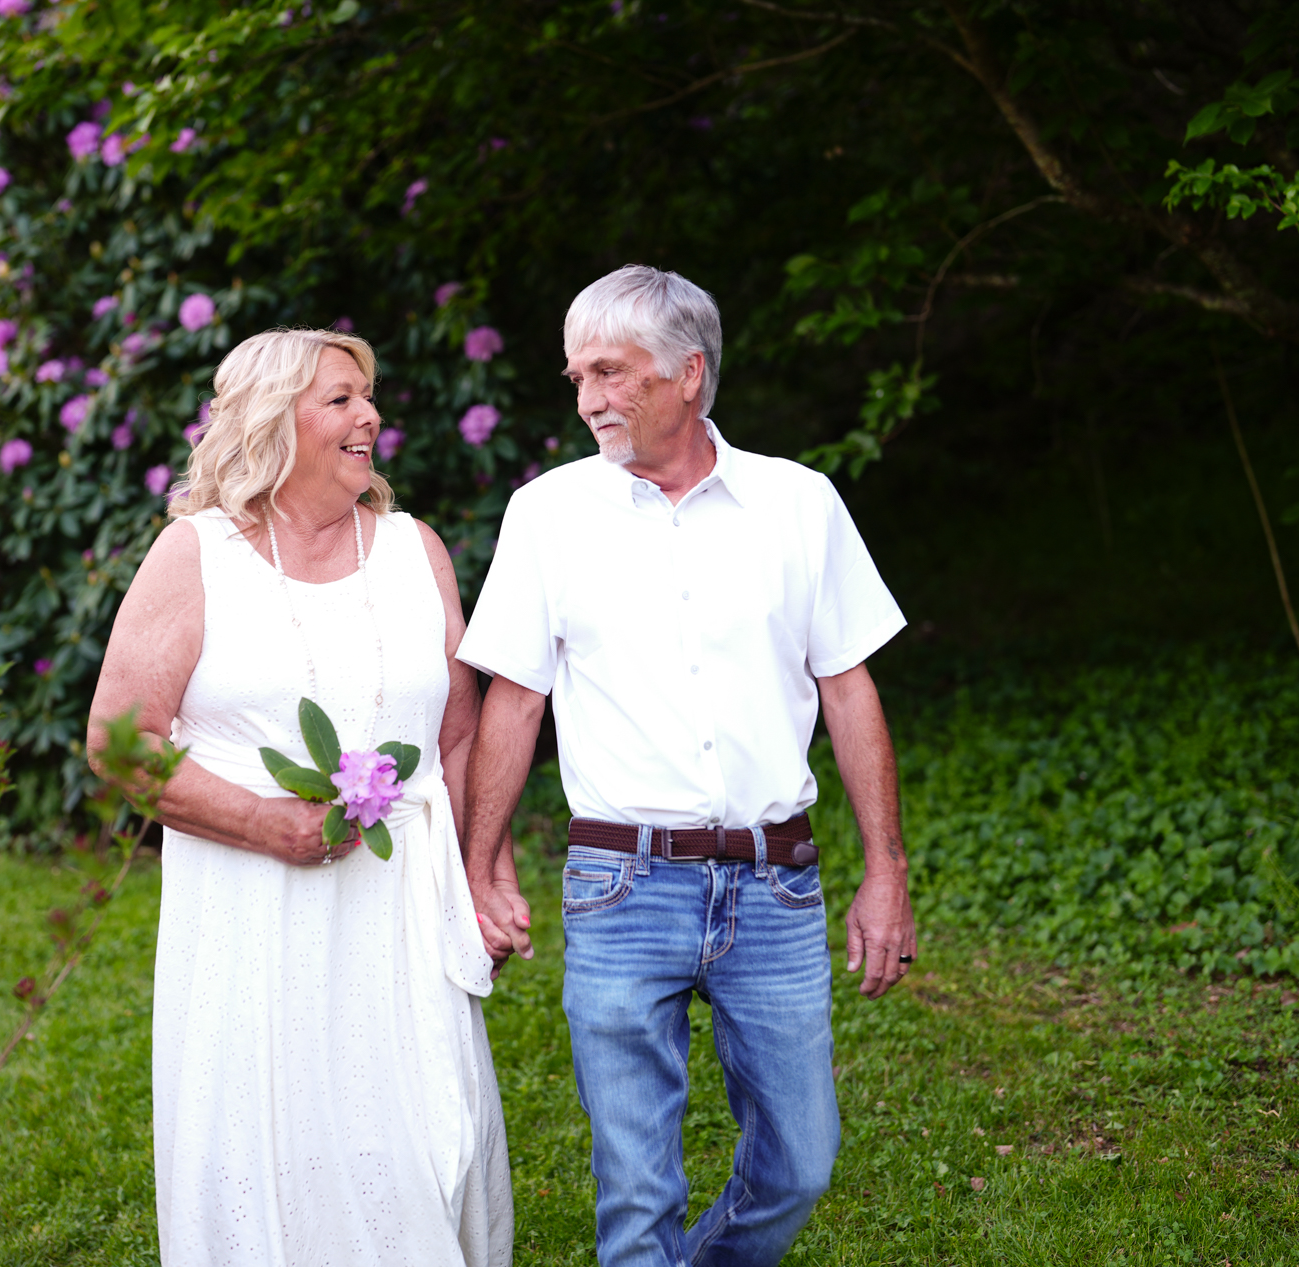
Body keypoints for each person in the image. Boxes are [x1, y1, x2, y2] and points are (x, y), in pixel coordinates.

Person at [456, 265, 917, 1266]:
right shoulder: (548, 514)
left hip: (775, 882)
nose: (588, 400)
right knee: (636, 1192)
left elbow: (849, 689)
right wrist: (480, 862)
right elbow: (514, 698)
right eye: (578, 375)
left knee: (800, 1161)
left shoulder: (799, 503)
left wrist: (887, 870)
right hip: (621, 884)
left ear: (688, 373)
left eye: (612, 373)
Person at [87, 328, 512, 1267]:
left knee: (430, 1139)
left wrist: (487, 875)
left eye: (369, 397)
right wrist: (268, 825)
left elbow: (461, 734)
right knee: (273, 1141)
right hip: (253, 921)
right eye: (341, 399)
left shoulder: (417, 550)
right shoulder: (193, 555)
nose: (370, 417)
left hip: (400, 910)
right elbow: (120, 741)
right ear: (273, 418)